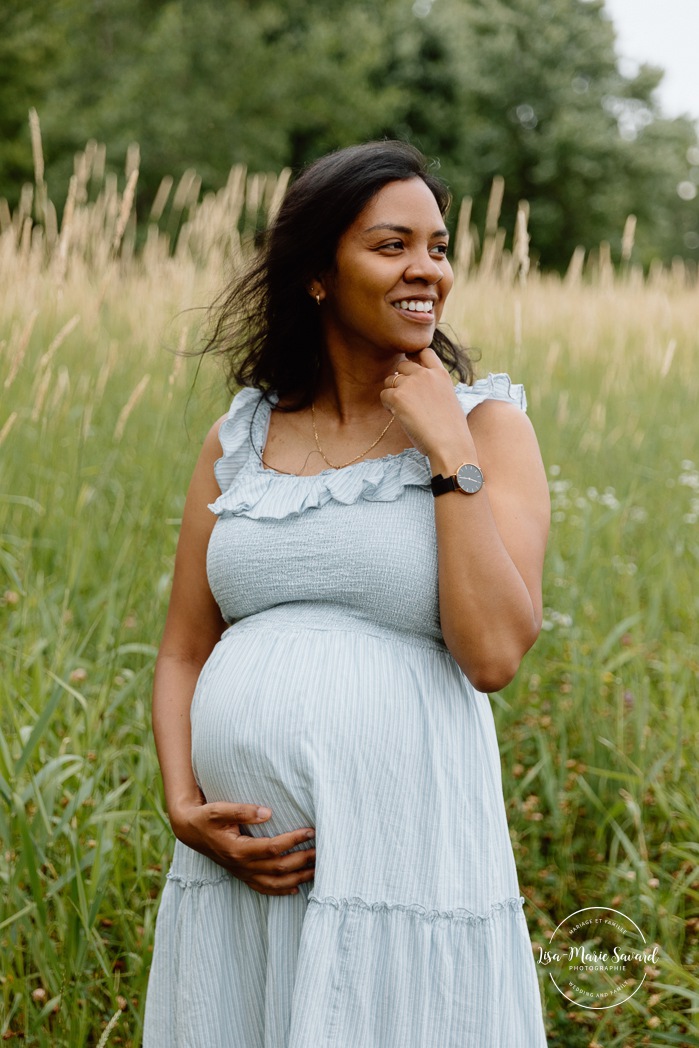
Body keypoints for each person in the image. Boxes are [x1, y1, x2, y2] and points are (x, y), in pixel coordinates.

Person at [142, 140, 550, 1047]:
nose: (426, 271)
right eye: (391, 244)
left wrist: (448, 453)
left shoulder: (490, 427)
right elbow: (183, 648)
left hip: (406, 857)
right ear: (318, 274)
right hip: (239, 877)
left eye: (438, 247)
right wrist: (181, 806)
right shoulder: (239, 436)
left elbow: (490, 656)